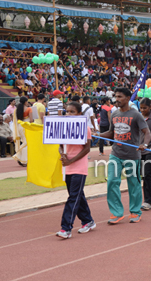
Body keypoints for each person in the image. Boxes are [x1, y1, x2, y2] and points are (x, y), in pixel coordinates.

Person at [98, 87, 151, 224]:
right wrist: (98, 135)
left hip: (132, 155)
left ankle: (135, 212)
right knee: (112, 182)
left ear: (128, 98)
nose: (117, 99)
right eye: (116, 96)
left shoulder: (136, 115)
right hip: (116, 154)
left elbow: (147, 132)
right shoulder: (114, 114)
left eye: (120, 96)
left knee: (133, 184)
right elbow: (111, 133)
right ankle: (117, 213)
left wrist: (144, 145)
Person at [56, 102, 95, 239]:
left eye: (72, 112)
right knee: (78, 195)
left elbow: (87, 148)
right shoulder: (64, 127)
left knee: (73, 197)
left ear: (79, 113)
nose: (69, 114)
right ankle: (88, 221)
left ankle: (66, 228)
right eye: (67, 111)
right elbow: (61, 146)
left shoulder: (85, 127)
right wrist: (62, 154)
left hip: (79, 167)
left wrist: (71, 161)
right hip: (67, 167)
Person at [13, 96, 32, 167]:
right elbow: (31, 120)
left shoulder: (17, 110)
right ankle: (19, 156)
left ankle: (21, 157)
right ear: (25, 102)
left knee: (25, 142)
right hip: (26, 127)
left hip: (20, 127)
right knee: (26, 143)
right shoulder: (28, 109)